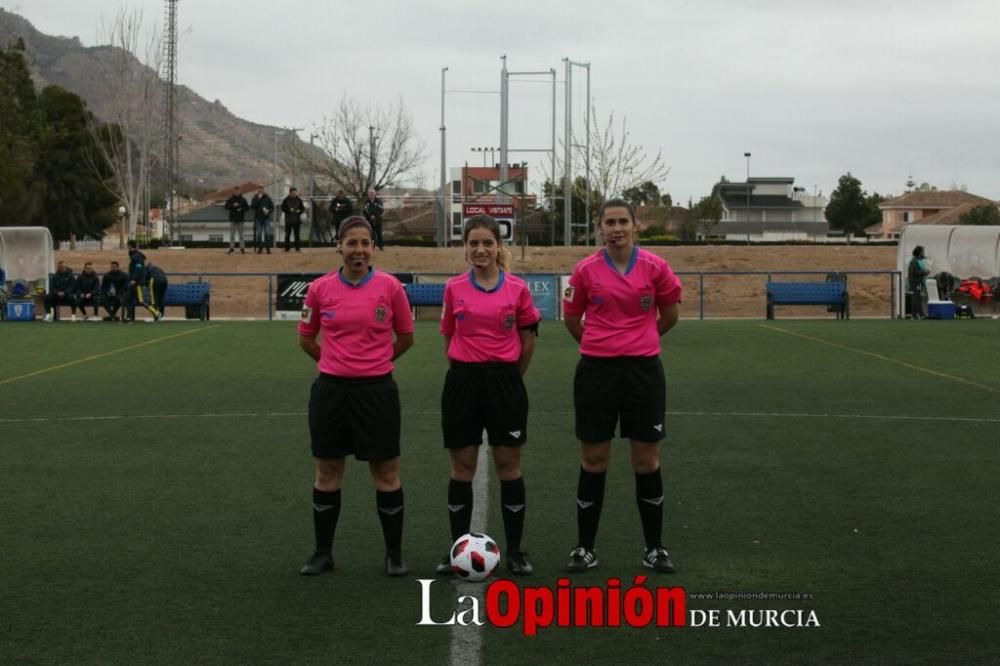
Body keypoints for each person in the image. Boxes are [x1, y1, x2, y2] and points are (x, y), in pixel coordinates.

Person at [561, 198, 683, 574]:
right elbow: (571, 318)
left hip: (643, 372)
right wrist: (602, 345)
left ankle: (654, 548)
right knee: (594, 460)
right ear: (600, 228)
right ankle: (585, 549)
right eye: (609, 222)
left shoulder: (656, 267)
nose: (616, 228)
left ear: (635, 226)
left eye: (622, 222)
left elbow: (670, 314)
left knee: (646, 461)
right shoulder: (584, 270)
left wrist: (640, 340)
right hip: (596, 372)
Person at [297, 215, 415, 577]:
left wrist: (375, 362)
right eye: (352, 243)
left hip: (377, 392)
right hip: (331, 392)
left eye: (365, 243)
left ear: (373, 247)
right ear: (339, 246)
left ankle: (394, 555)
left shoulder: (391, 287)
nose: (359, 250)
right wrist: (335, 363)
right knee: (328, 471)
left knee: (386, 472)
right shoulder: (319, 289)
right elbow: (306, 338)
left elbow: (406, 337)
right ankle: (322, 553)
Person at [434, 215, 541, 576]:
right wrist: (465, 367)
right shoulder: (454, 289)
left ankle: (515, 551)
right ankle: (457, 552)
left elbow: (528, 341)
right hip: (462, 382)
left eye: (487, 243)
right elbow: (448, 336)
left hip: (504, 383)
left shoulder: (517, 289)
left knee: (508, 467)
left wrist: (510, 377)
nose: (480, 250)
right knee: (462, 467)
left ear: (498, 247)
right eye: (473, 243)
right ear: (465, 247)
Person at [124, 240, 159, 322]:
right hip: (135, 282)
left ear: (130, 246)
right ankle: (129, 317)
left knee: (140, 300)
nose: (127, 247)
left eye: (127, 245)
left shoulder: (137, 256)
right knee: (129, 299)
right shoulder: (134, 255)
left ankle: (156, 313)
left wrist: (134, 280)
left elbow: (138, 269)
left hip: (137, 282)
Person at [224, 186, 250, 254]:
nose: (236, 192)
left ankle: (242, 248)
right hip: (233, 220)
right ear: (233, 191)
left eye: (237, 191)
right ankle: (231, 248)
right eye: (235, 191)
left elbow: (247, 208)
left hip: (240, 219)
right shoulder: (230, 199)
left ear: (240, 191)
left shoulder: (243, 199)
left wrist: (241, 209)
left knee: (241, 235)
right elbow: (226, 207)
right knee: (232, 235)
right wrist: (233, 205)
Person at [908, 245, 930, 320]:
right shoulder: (914, 261)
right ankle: (915, 315)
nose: (924, 253)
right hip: (915, 283)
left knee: (919, 298)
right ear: (919, 252)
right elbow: (915, 272)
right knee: (916, 298)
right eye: (923, 251)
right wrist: (924, 272)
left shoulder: (919, 260)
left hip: (919, 282)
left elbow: (924, 259)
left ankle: (919, 314)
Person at [250, 186, 275, 254]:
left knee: (267, 234)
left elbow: (272, 207)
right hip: (258, 219)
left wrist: (268, 211)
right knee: (259, 234)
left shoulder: (268, 198)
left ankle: (268, 249)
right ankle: (260, 249)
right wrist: (258, 199)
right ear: (257, 191)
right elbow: (252, 207)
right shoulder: (255, 198)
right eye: (259, 191)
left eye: (261, 191)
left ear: (264, 191)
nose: (260, 192)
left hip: (266, 219)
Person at [281, 187, 305, 252]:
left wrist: (299, 211)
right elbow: (282, 208)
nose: (294, 194)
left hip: (297, 220)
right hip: (288, 220)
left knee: (297, 235)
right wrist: (288, 210)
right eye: (293, 193)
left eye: (295, 192)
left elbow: (302, 208)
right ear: (290, 193)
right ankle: (287, 248)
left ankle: (298, 248)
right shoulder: (286, 200)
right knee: (287, 235)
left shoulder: (299, 200)